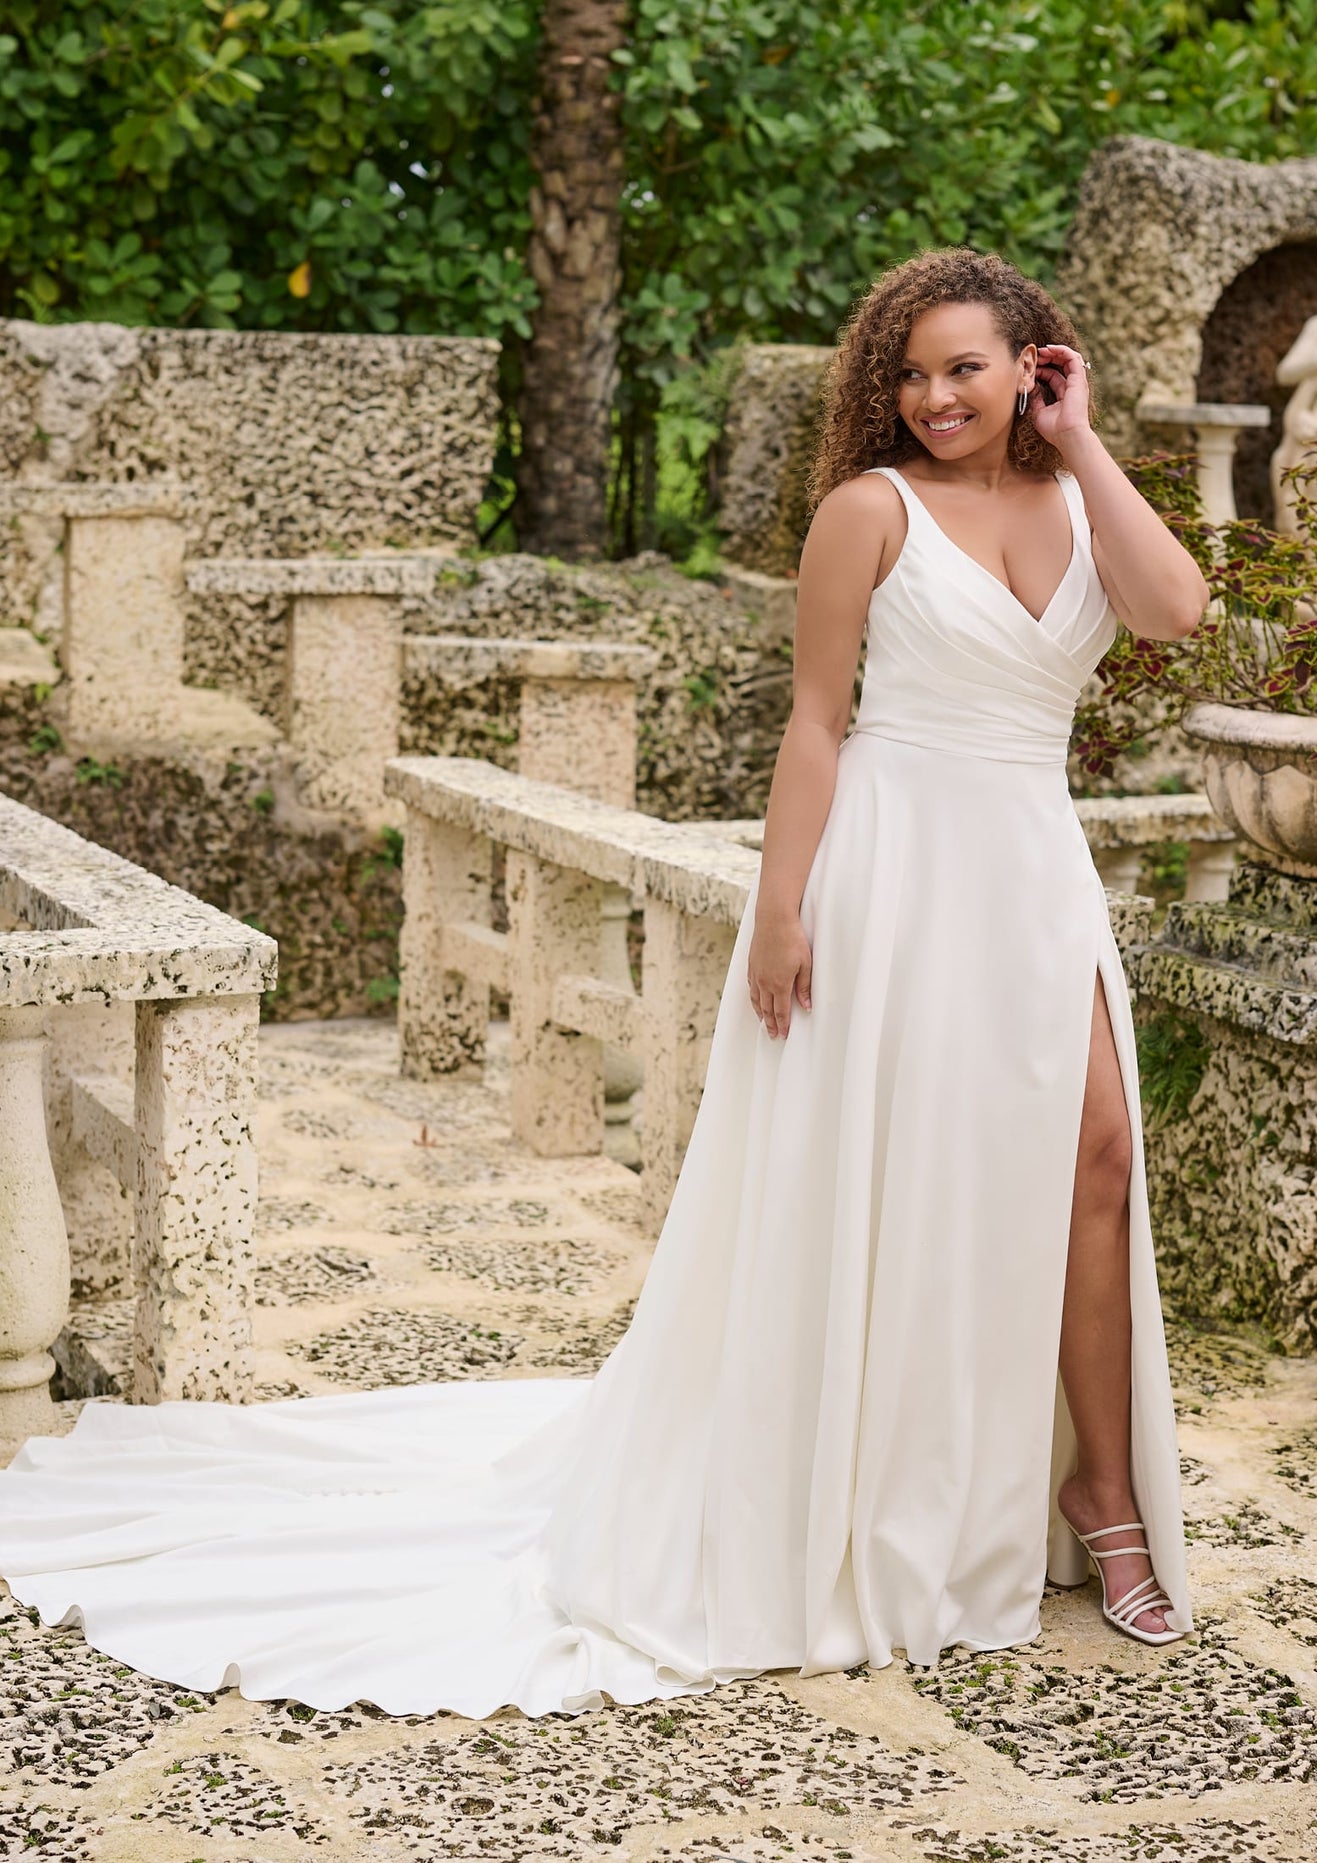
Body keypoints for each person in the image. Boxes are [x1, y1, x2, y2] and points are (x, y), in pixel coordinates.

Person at [0, 247, 1208, 1721]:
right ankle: (882, 1480)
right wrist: (781, 914)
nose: (936, 395)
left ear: (1034, 361)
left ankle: (1099, 1487)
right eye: (911, 372)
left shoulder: (1081, 493)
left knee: (1092, 1157)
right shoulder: (867, 513)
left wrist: (1083, 439)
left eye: (967, 366)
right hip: (891, 872)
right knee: (894, 1178)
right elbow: (817, 725)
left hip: (1028, 864)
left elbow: (1175, 615)